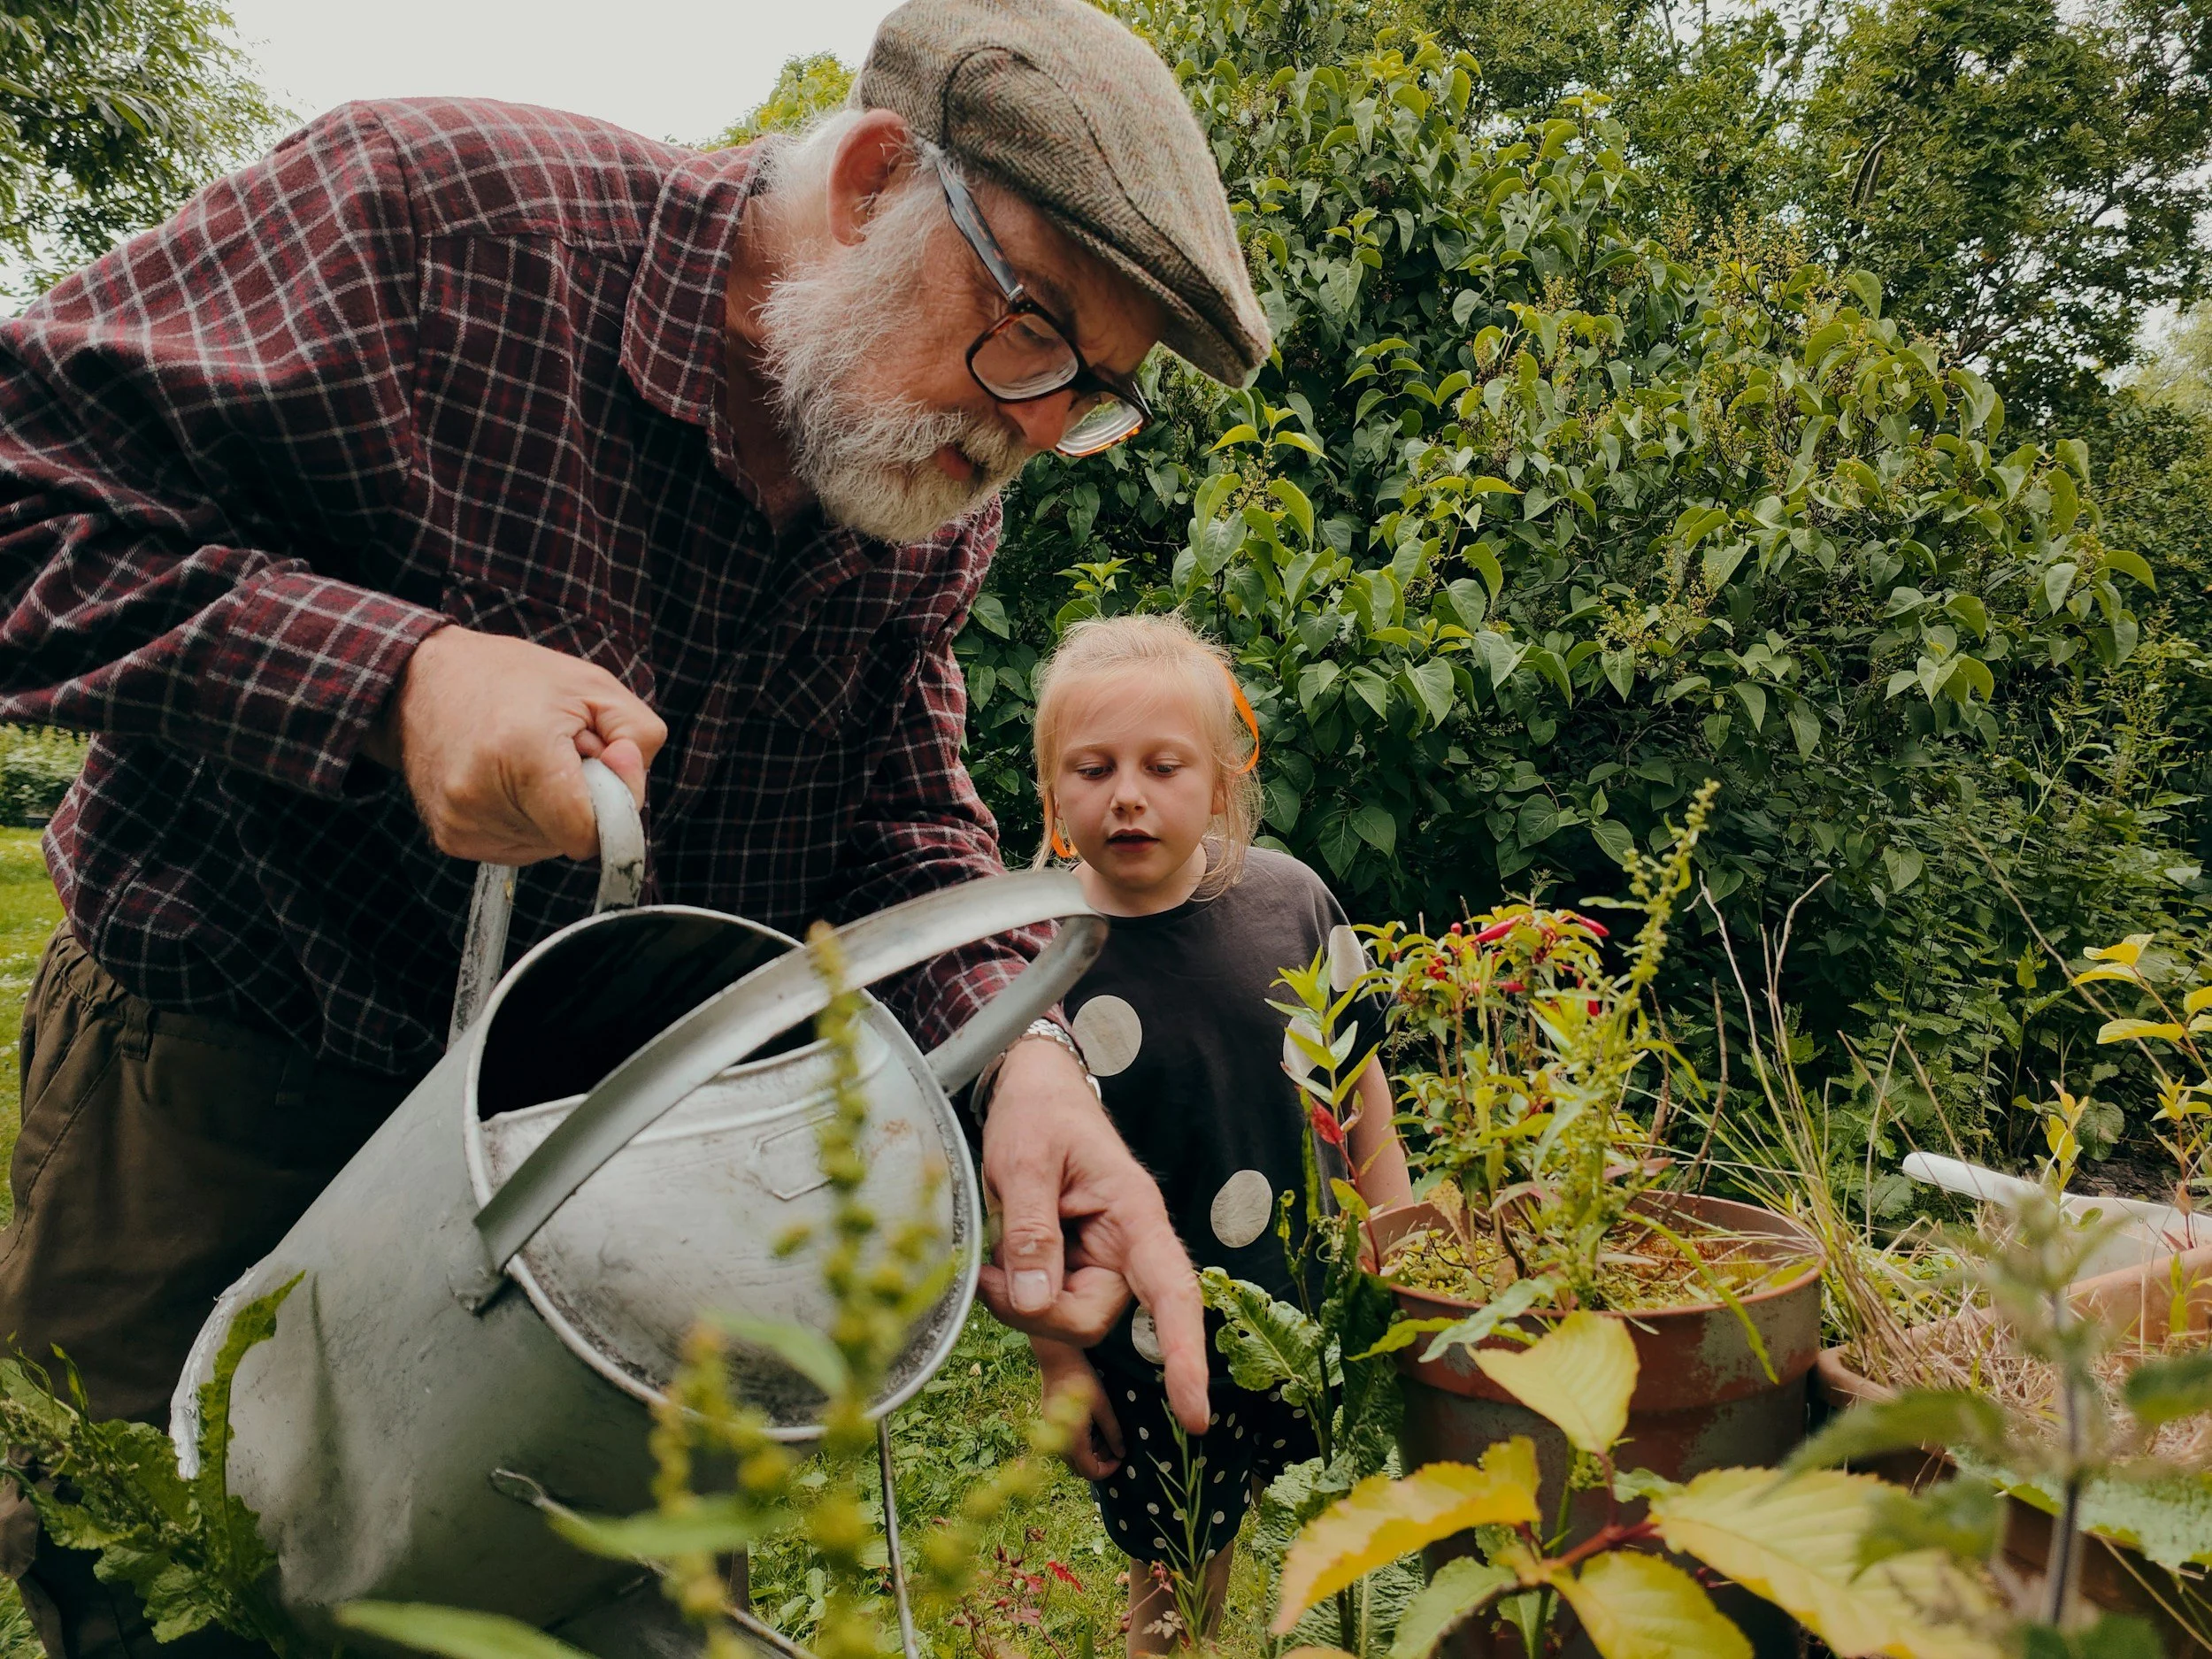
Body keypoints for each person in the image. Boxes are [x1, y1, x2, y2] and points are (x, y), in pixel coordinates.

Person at [0, 0, 1271, 1650]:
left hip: (614, 1168)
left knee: (603, 1615)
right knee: (180, 1606)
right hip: (229, 1089)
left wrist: (1018, 1058)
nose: (1035, 428)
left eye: (1090, 394)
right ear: (880, 182)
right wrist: (396, 681)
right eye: (1033, 334)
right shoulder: (436, 224)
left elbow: (893, 813)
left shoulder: (915, 475)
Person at [1017, 616, 1412, 1655]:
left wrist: (1399, 1222)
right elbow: (1021, 1188)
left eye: (1163, 765)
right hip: (1141, 1340)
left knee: (1337, 1523)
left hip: (1304, 1302)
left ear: (1225, 783)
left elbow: (1356, 1077)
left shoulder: (1289, 903)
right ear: (1053, 795)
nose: (1128, 795)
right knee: (1179, 1562)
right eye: (1092, 769)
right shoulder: (1035, 953)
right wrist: (1059, 1360)